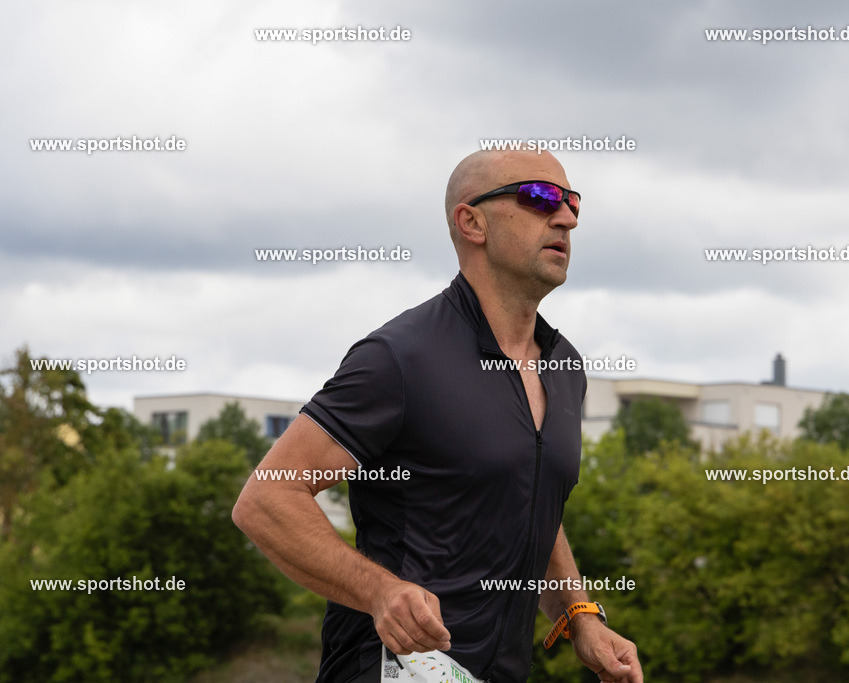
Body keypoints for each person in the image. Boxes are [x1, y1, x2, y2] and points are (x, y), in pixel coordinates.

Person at [232, 149, 643, 683]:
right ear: (471, 222)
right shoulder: (401, 357)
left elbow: (526, 497)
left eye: (572, 203)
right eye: (540, 197)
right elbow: (266, 499)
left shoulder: (565, 366)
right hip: (388, 670)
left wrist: (579, 616)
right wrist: (380, 592)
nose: (565, 217)